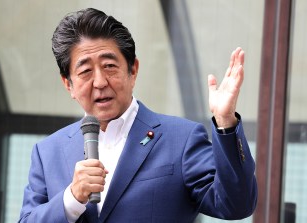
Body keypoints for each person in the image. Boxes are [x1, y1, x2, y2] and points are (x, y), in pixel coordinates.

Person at [19, 8, 257, 223]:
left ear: (133, 71)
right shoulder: (46, 152)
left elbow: (236, 205)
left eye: (110, 66)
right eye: (85, 71)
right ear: (68, 84)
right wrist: (71, 199)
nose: (100, 82)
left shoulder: (180, 139)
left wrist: (226, 121)